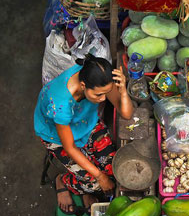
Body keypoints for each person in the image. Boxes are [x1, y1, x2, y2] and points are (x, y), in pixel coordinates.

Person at [34, 54, 133, 214]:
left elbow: (127, 114)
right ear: (82, 85)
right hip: (57, 136)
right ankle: (63, 181)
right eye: (98, 95)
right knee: (95, 183)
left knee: (113, 167)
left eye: (105, 94)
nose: (103, 99)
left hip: (85, 122)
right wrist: (100, 177)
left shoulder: (99, 78)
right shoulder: (60, 104)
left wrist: (122, 91)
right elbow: (70, 147)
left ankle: (86, 190)